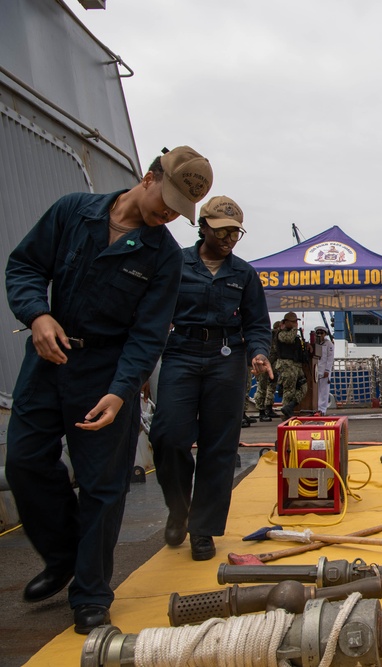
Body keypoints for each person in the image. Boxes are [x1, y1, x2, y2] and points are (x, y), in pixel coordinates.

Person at [4, 146, 212, 633]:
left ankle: (91, 592)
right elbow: (24, 266)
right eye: (167, 202)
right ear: (147, 177)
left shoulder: (162, 256)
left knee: (103, 485)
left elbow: (149, 333)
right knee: (25, 461)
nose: (168, 217)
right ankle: (63, 558)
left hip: (107, 370)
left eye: (180, 213)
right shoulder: (72, 211)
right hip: (47, 358)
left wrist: (122, 390)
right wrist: (37, 314)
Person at [149, 195, 272, 561]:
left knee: (219, 447)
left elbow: (256, 323)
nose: (229, 240)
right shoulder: (175, 263)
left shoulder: (243, 274)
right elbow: (154, 314)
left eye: (235, 233)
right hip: (181, 353)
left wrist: (259, 353)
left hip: (227, 357)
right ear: (202, 226)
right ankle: (178, 506)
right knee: (168, 437)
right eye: (222, 232)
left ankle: (202, 528)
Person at [273, 312, 309, 418]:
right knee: (289, 390)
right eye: (292, 322)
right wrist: (294, 328)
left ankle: (290, 406)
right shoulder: (281, 333)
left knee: (303, 387)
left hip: (296, 365)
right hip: (286, 365)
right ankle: (287, 412)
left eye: (295, 322)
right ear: (285, 322)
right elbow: (288, 339)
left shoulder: (294, 335)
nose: (295, 324)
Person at [254, 319, 282, 422]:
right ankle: (261, 411)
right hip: (264, 363)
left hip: (273, 364)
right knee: (262, 387)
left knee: (272, 387)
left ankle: (268, 408)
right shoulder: (271, 334)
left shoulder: (278, 338)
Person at [313, 326, 336, 414]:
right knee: (316, 391)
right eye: (317, 333)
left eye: (321, 333)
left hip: (324, 370)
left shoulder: (329, 344)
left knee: (324, 391)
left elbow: (330, 358)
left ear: (325, 334)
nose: (319, 335)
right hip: (316, 370)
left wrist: (327, 370)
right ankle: (316, 408)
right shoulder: (315, 343)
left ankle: (322, 409)